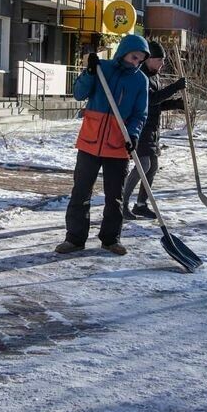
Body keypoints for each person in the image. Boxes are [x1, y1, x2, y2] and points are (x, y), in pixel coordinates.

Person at [56, 34, 150, 256]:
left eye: (140, 60)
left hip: (118, 144)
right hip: (90, 142)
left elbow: (140, 114)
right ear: (124, 52)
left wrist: (133, 135)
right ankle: (74, 239)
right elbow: (79, 94)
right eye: (134, 57)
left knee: (114, 196)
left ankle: (110, 239)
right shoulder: (101, 69)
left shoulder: (140, 81)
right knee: (80, 193)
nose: (136, 63)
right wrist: (89, 73)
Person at [122, 41, 186, 220]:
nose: (162, 64)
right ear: (149, 60)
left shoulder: (155, 77)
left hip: (152, 129)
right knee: (144, 165)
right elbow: (150, 100)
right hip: (139, 128)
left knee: (152, 167)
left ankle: (141, 204)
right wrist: (174, 87)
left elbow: (156, 105)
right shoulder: (140, 76)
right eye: (159, 60)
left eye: (163, 60)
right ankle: (122, 203)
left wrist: (175, 104)